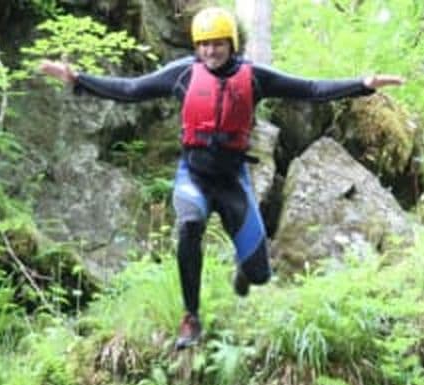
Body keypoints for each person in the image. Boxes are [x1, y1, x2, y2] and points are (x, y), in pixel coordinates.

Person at [39, 7, 404, 350]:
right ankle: (191, 317)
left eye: (217, 43)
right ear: (196, 47)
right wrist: (78, 79)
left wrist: (363, 84)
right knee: (190, 223)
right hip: (194, 176)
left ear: (231, 43)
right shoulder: (182, 73)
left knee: (260, 274)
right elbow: (133, 90)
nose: (210, 51)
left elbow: (308, 89)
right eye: (204, 44)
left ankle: (245, 271)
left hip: (233, 181)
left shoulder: (254, 77)